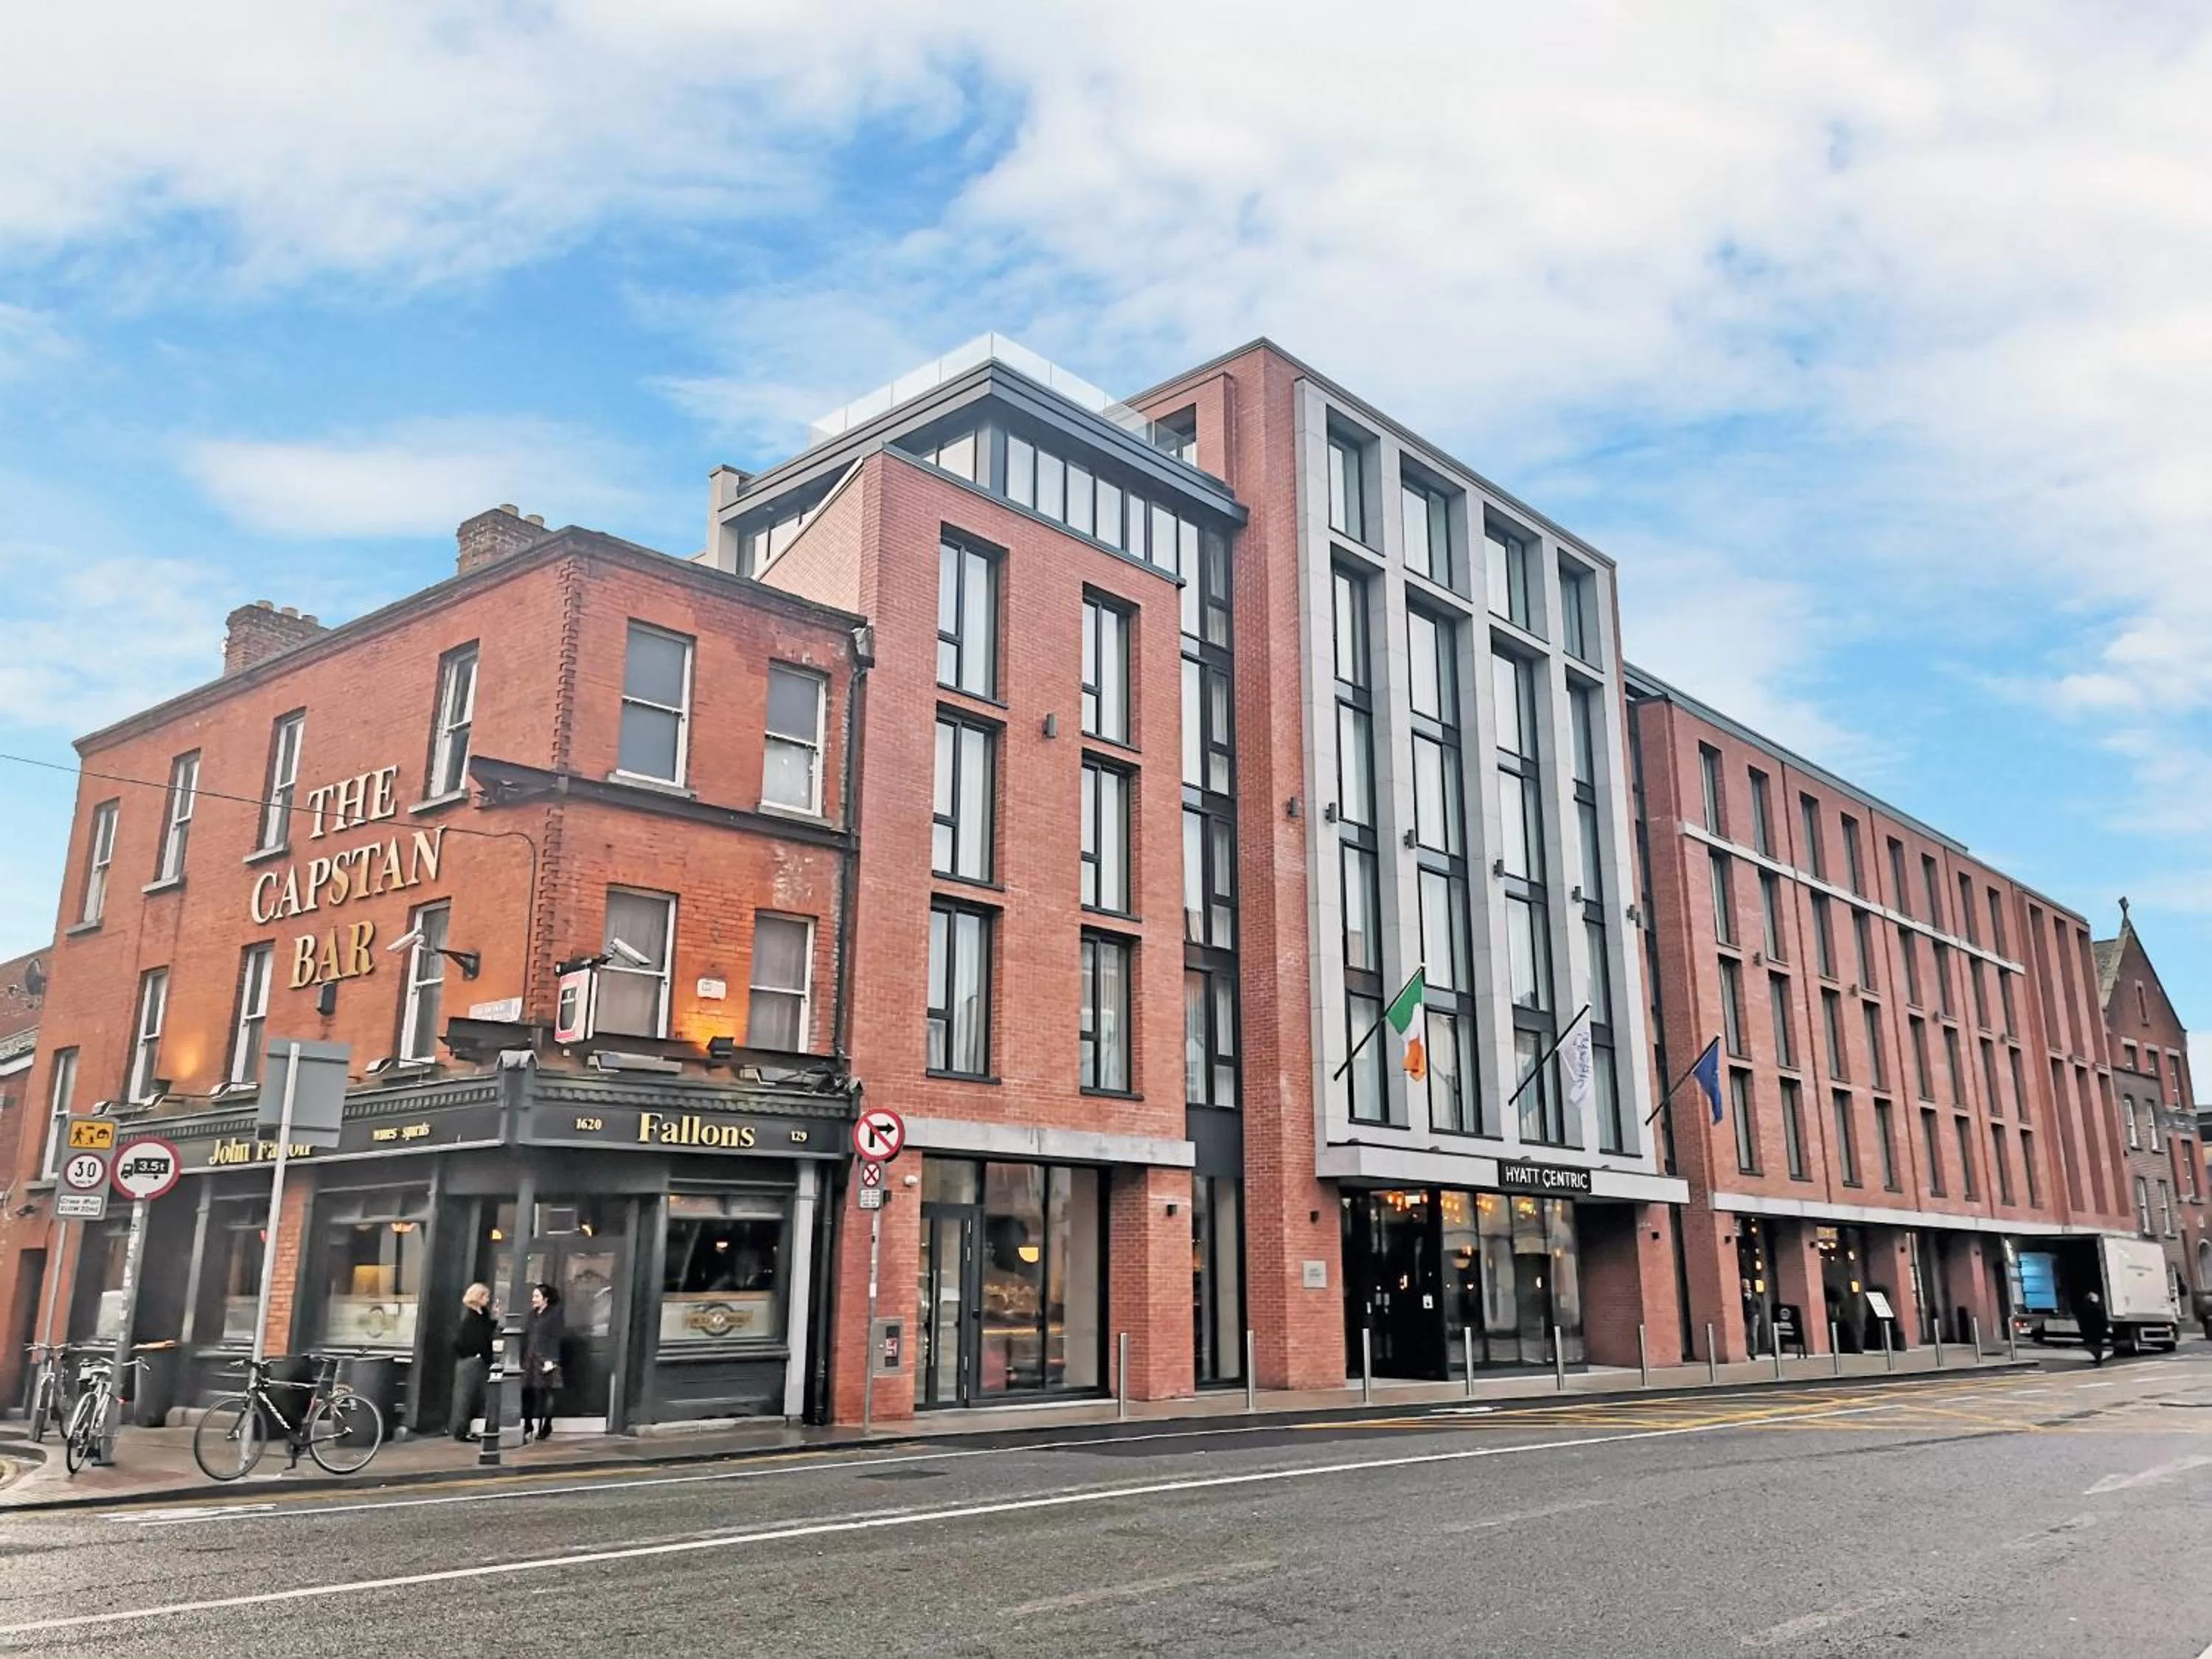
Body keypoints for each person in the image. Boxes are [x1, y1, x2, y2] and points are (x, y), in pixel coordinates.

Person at [449, 1282, 496, 1441]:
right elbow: (461, 1341)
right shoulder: (469, 1316)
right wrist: (474, 1354)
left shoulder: (482, 1314)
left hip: (480, 1361)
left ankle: (476, 1428)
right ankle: (461, 1431)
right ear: (479, 1297)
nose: (488, 1299)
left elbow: (485, 1333)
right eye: (486, 1296)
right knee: (465, 1397)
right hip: (471, 1362)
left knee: (480, 1396)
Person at [521, 1282, 566, 1443]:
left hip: (547, 1357)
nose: (533, 1299)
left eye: (537, 1296)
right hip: (530, 1358)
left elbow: (556, 1337)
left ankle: (546, 1426)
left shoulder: (554, 1315)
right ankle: (528, 1425)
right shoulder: (532, 1315)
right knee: (527, 1391)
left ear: (546, 1299)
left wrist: (552, 1360)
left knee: (547, 1392)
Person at [2078, 1288, 2110, 1367]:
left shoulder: (2089, 1308)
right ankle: (2098, 1359)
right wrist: (2106, 1327)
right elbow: (2102, 1319)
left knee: (2092, 1344)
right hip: (2095, 1329)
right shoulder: (2095, 1308)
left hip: (2092, 1329)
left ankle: (2098, 1359)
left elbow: (2082, 1319)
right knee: (2095, 1344)